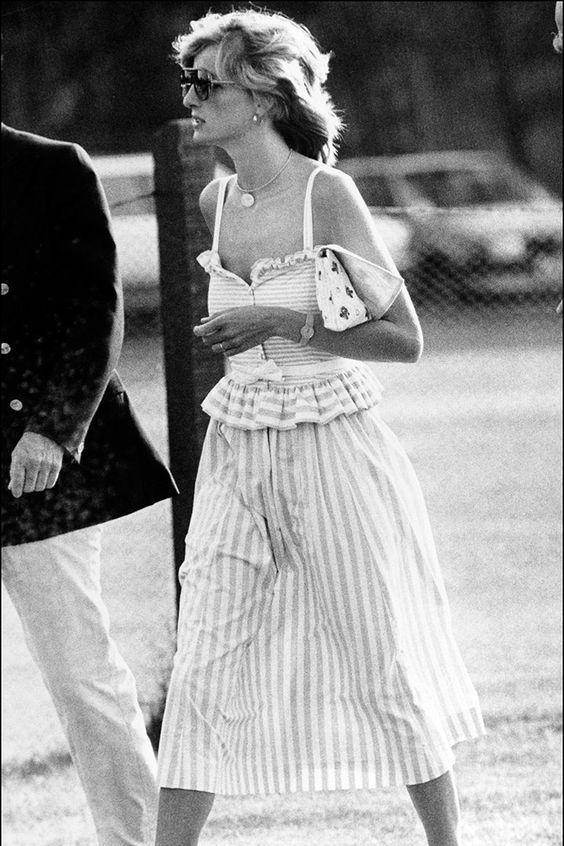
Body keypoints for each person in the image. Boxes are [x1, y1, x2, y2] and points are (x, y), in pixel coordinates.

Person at [155, 9, 485, 846]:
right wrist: (244, 332)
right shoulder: (214, 197)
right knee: (202, 661)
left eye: (207, 83)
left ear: (262, 96)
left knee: (378, 654)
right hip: (237, 450)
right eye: (189, 81)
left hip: (332, 443)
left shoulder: (327, 195)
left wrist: (281, 321)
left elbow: (402, 339)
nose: (191, 97)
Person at [1, 122, 178, 845]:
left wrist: (51, 426)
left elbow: (94, 310)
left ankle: (136, 841)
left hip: (33, 461)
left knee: (79, 673)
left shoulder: (51, 168)